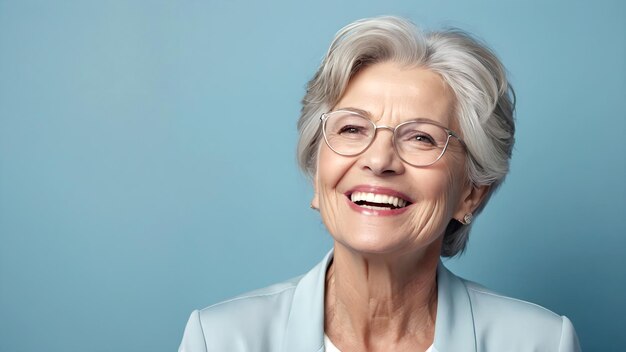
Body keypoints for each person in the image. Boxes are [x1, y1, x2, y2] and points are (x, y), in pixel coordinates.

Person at [178, 16, 581, 352]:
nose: (378, 160)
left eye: (421, 137)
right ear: (318, 175)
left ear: (471, 192)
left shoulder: (541, 343)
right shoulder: (220, 339)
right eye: (352, 128)